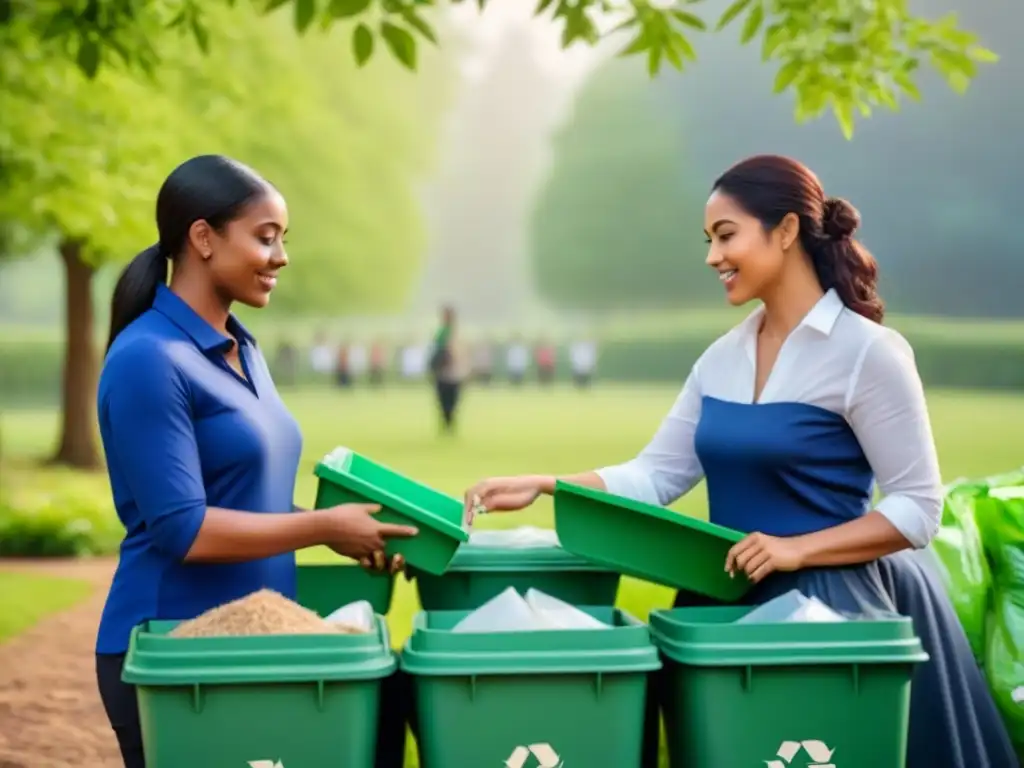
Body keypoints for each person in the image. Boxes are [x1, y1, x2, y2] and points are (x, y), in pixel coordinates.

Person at [462, 154, 1016, 768]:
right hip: (722, 602)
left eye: (726, 236)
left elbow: (918, 509)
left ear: (784, 231)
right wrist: (547, 486)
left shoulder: (869, 353)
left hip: (832, 612)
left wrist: (795, 549)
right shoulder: (720, 358)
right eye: (709, 240)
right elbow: (656, 476)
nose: (712, 257)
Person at [94, 155, 419, 768]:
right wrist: (322, 525)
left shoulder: (243, 346)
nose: (281, 257)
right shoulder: (149, 359)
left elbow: (243, 501)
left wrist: (340, 536)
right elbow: (183, 528)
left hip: (258, 646)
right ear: (202, 238)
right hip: (172, 652)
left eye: (282, 241)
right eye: (265, 238)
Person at [429, 304, 466, 433]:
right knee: (443, 400)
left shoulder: (455, 333)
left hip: (454, 372)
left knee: (452, 400)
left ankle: (449, 423)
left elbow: (460, 353)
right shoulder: (441, 333)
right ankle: (446, 424)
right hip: (443, 372)